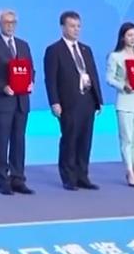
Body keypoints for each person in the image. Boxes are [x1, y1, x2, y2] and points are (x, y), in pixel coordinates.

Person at [43, 10, 102, 191]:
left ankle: (82, 176)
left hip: (88, 101)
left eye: (78, 26)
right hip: (68, 102)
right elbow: (50, 79)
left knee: (85, 140)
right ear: (63, 27)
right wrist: (54, 102)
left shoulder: (86, 49)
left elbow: (93, 75)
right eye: (72, 26)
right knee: (70, 139)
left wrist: (98, 100)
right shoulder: (54, 50)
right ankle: (68, 177)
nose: (76, 29)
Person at [0, 8, 35, 195]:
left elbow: (30, 69)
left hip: (22, 102)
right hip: (2, 102)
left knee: (19, 142)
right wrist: (2, 86)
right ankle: (3, 181)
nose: (10, 26)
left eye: (13, 22)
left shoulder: (23, 45)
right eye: (6, 22)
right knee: (2, 142)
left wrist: (31, 81)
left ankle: (18, 179)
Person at [105, 22, 134, 188]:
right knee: (127, 138)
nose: (133, 38)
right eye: (129, 35)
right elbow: (109, 78)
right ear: (122, 37)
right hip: (125, 101)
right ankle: (129, 171)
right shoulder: (115, 56)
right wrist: (122, 85)